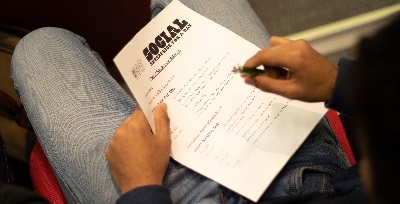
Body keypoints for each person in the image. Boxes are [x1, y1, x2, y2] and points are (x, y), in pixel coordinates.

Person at [10, 0, 398, 203]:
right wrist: (337, 81)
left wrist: (142, 188)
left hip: (164, 194)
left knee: (40, 48)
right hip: (308, 173)